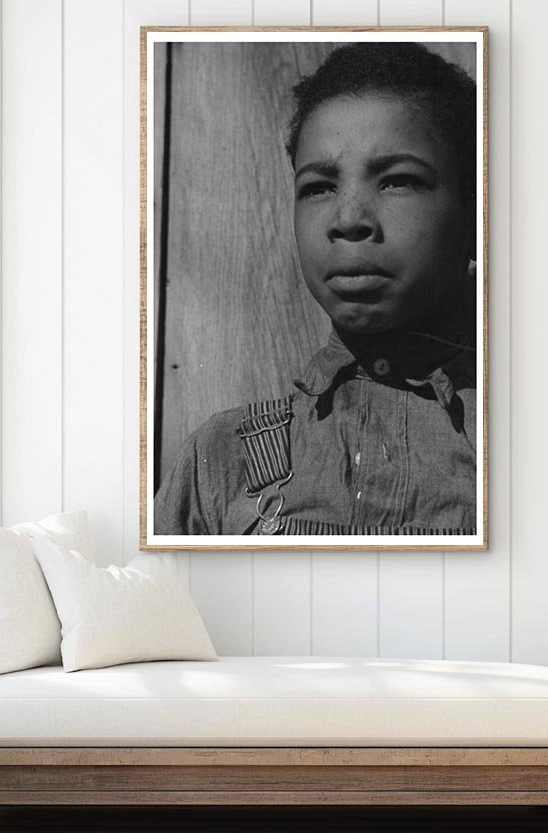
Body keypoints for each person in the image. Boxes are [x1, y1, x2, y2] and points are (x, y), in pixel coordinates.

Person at [154, 41, 478, 536]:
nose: (348, 219)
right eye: (319, 187)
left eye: (397, 181)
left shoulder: (540, 454)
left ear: (476, 210)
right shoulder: (218, 462)